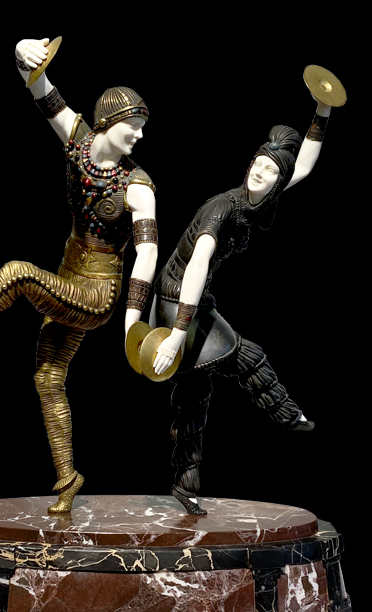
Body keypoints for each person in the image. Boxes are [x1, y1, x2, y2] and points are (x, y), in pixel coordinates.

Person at [0, 38, 162, 515]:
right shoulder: (79, 141)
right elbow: (40, 88)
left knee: (18, 273)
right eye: (134, 126)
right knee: (47, 377)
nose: (140, 136)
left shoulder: (138, 188)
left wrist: (132, 320)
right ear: (109, 123)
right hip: (68, 276)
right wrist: (22, 52)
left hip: (97, 293)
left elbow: (148, 252)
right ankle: (67, 479)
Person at [144, 97, 336, 516]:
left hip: (196, 297)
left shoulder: (262, 200)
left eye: (269, 169)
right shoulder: (224, 207)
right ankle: (289, 417)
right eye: (257, 164)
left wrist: (322, 111)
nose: (259, 171)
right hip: (178, 297)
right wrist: (176, 335)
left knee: (196, 389)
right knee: (247, 356)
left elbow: (302, 166)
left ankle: (185, 483)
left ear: (277, 181)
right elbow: (197, 263)